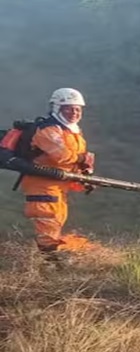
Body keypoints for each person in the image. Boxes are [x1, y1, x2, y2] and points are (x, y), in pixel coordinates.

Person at [19, 88, 95, 260]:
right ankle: (49, 261)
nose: (74, 112)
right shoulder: (48, 130)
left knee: (58, 218)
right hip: (41, 183)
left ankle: (51, 258)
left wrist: (85, 175)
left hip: (59, 183)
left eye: (77, 109)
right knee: (48, 219)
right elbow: (62, 156)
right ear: (57, 108)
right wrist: (82, 158)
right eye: (68, 108)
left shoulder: (73, 132)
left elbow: (77, 159)